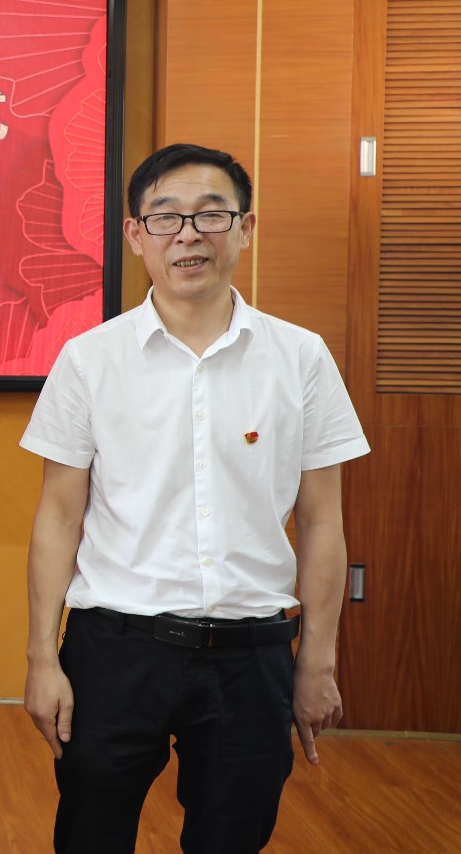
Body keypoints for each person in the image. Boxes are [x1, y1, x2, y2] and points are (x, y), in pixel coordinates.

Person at [20, 143, 369, 853]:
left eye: (212, 214)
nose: (188, 235)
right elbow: (59, 516)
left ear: (245, 228)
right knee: (90, 834)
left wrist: (318, 660)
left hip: (253, 652)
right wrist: (40, 659)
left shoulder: (301, 358)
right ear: (135, 234)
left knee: (233, 838)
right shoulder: (90, 359)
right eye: (166, 217)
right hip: (116, 648)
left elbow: (322, 520)